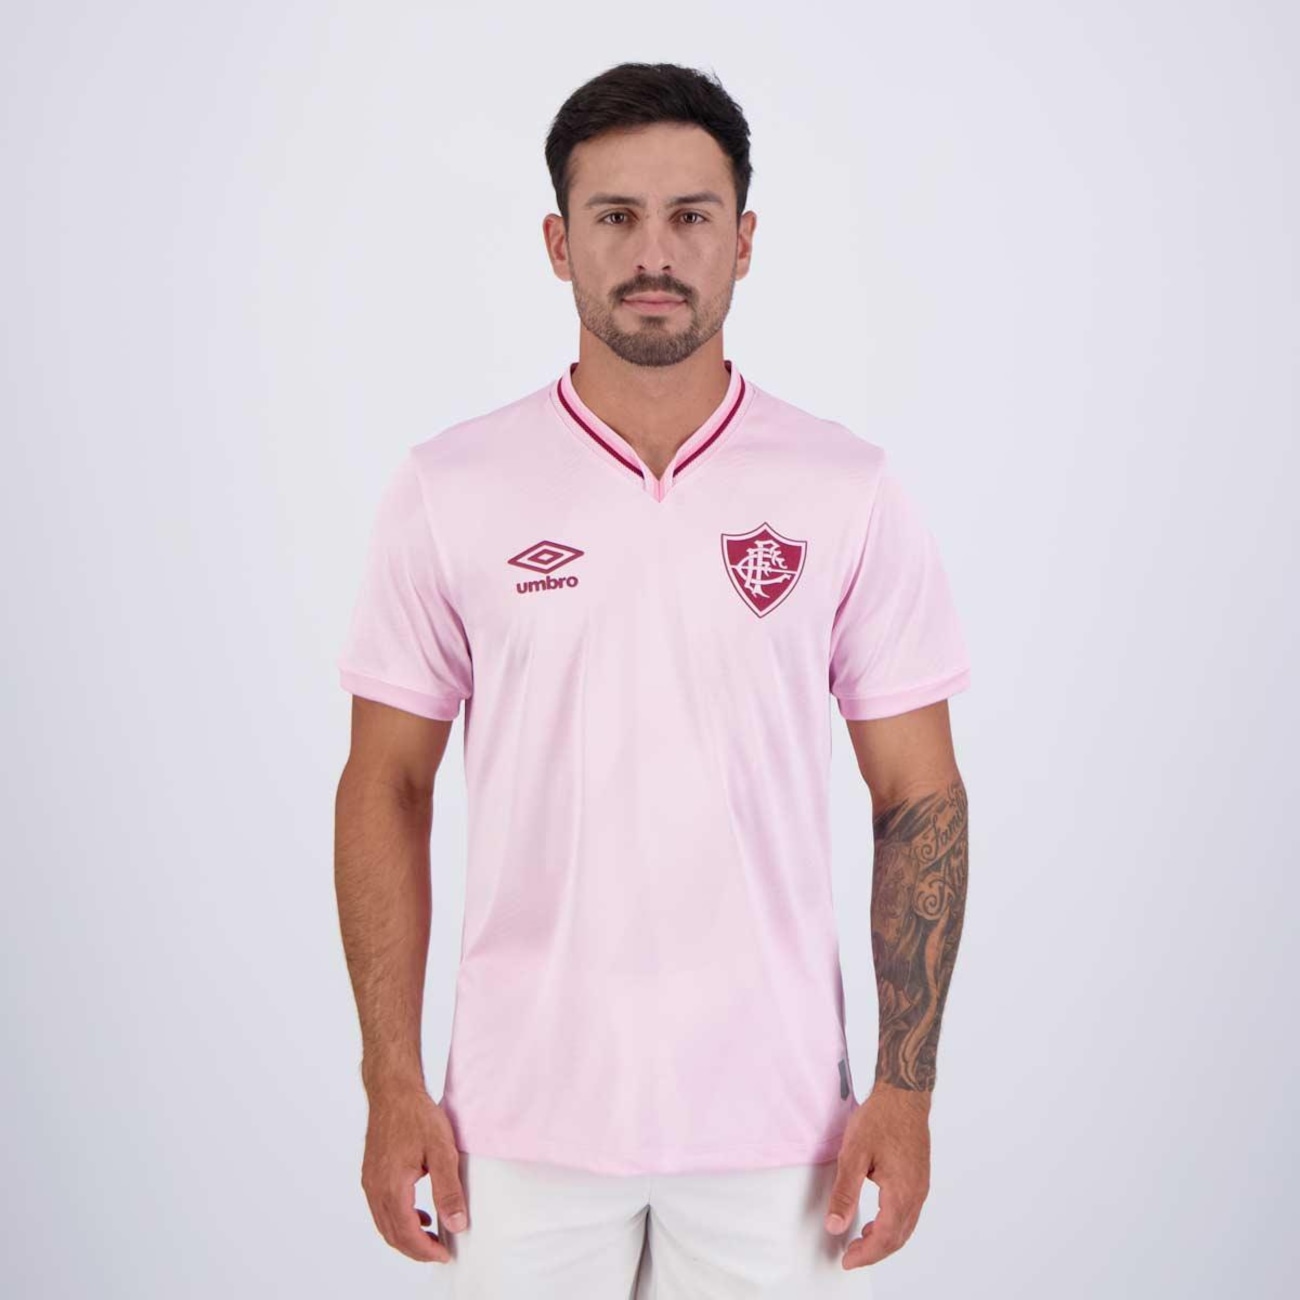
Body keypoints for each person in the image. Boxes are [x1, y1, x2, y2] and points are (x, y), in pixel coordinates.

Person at [333, 60, 971, 1298]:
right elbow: (386, 785)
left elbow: (918, 798)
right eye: (615, 216)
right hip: (514, 1127)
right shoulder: (451, 489)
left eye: (690, 216)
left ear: (744, 241)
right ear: (557, 243)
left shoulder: (845, 489)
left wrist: (904, 1089)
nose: (653, 253)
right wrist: (390, 1079)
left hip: (780, 1132)